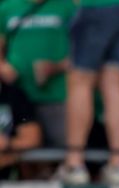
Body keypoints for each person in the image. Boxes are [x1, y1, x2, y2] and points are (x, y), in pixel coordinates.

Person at [58, 0, 119, 185]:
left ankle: (74, 161)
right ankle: (118, 162)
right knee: (113, 80)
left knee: (80, 79)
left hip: (96, 5)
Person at [0, 0, 76, 148]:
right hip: (18, 97)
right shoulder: (7, 8)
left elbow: (85, 55)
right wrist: (3, 67)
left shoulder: (67, 7)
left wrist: (55, 67)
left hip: (57, 97)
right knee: (23, 153)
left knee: (63, 150)